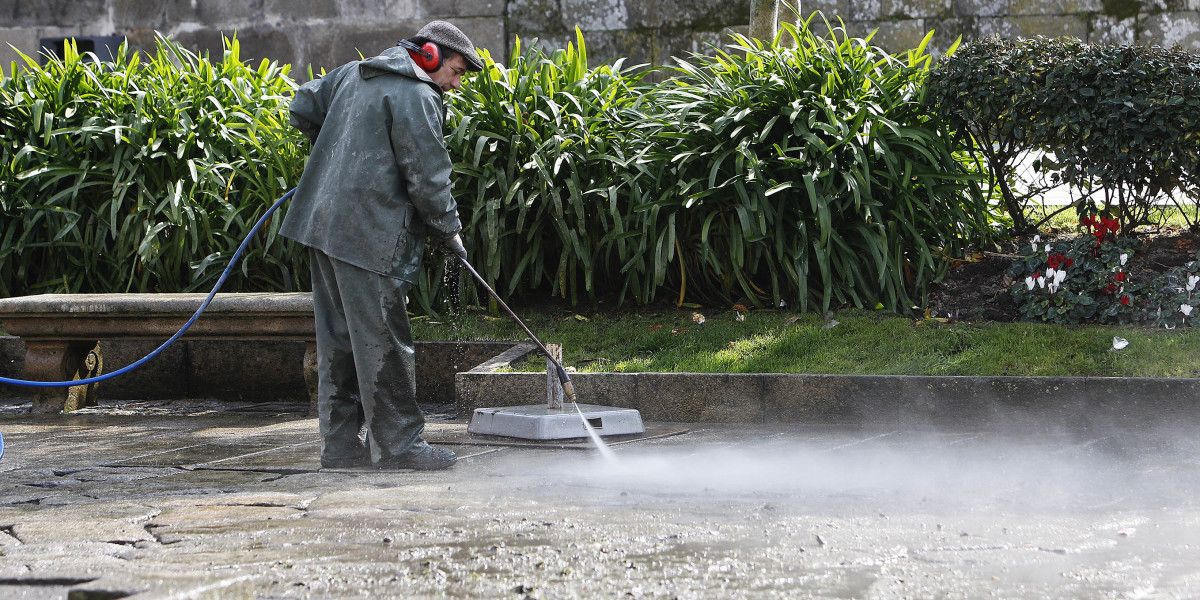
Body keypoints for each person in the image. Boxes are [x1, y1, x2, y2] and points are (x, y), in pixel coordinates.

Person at [281, 21, 483, 470]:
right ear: (428, 55)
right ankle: (399, 447)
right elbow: (428, 178)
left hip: (322, 225)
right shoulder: (418, 95)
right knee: (383, 342)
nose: (456, 82)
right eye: (455, 70)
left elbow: (300, 106)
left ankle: (339, 448)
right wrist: (449, 231)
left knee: (338, 343)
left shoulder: (354, 72)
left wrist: (335, 153)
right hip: (369, 233)